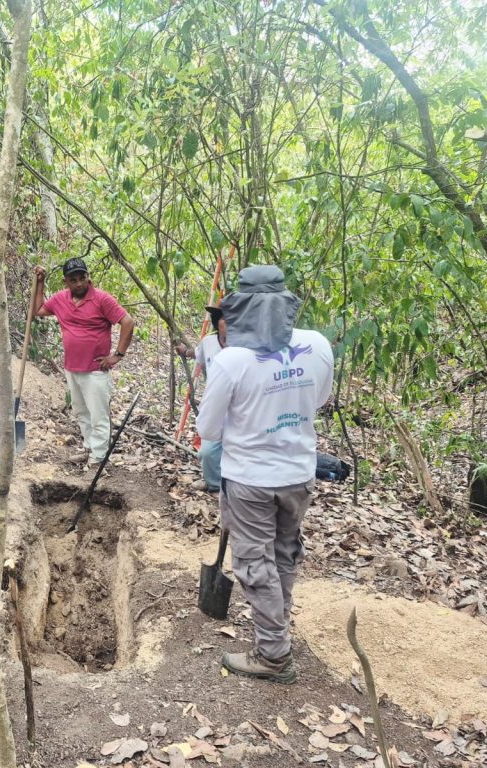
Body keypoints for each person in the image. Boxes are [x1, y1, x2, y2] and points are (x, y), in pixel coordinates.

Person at [196, 265, 333, 685]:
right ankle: (278, 624)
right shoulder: (317, 345)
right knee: (284, 553)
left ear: (239, 306)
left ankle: (274, 655)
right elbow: (321, 400)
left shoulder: (231, 360)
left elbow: (208, 431)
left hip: (251, 479)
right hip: (298, 473)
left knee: (255, 562)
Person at [33, 258, 136, 467]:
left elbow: (128, 322)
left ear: (88, 277)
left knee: (99, 415)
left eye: (82, 278)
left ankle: (98, 459)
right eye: (73, 280)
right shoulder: (61, 299)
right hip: (72, 367)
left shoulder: (101, 299)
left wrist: (117, 355)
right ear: (66, 282)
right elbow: (39, 311)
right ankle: (90, 448)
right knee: (81, 411)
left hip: (96, 369)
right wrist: (41, 283)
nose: (79, 283)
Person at [175, 305, 227, 493]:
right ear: (216, 323)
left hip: (242, 405)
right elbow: (198, 354)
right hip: (216, 404)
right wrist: (184, 351)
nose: (229, 325)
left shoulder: (246, 346)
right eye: (224, 319)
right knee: (207, 451)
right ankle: (214, 483)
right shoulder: (209, 342)